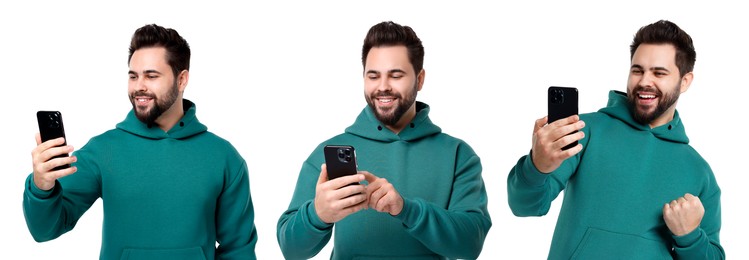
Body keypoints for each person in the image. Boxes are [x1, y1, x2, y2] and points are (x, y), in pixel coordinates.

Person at [23, 24, 258, 259]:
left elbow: (239, 250)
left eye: (151, 76)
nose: (139, 87)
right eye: (133, 76)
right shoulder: (104, 150)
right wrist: (42, 186)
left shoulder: (223, 157)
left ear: (182, 79)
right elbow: (44, 230)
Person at [507, 20, 724, 259]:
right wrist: (537, 166)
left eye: (659, 73)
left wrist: (690, 236)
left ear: (685, 81)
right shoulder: (583, 130)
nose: (644, 81)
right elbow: (524, 206)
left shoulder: (699, 171)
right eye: (637, 70)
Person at [276, 21, 492, 259]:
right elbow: (291, 250)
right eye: (373, 76)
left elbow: (471, 244)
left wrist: (406, 209)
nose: (383, 87)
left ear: (419, 79)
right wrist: (318, 214)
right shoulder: (328, 153)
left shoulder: (458, 155)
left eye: (396, 75)